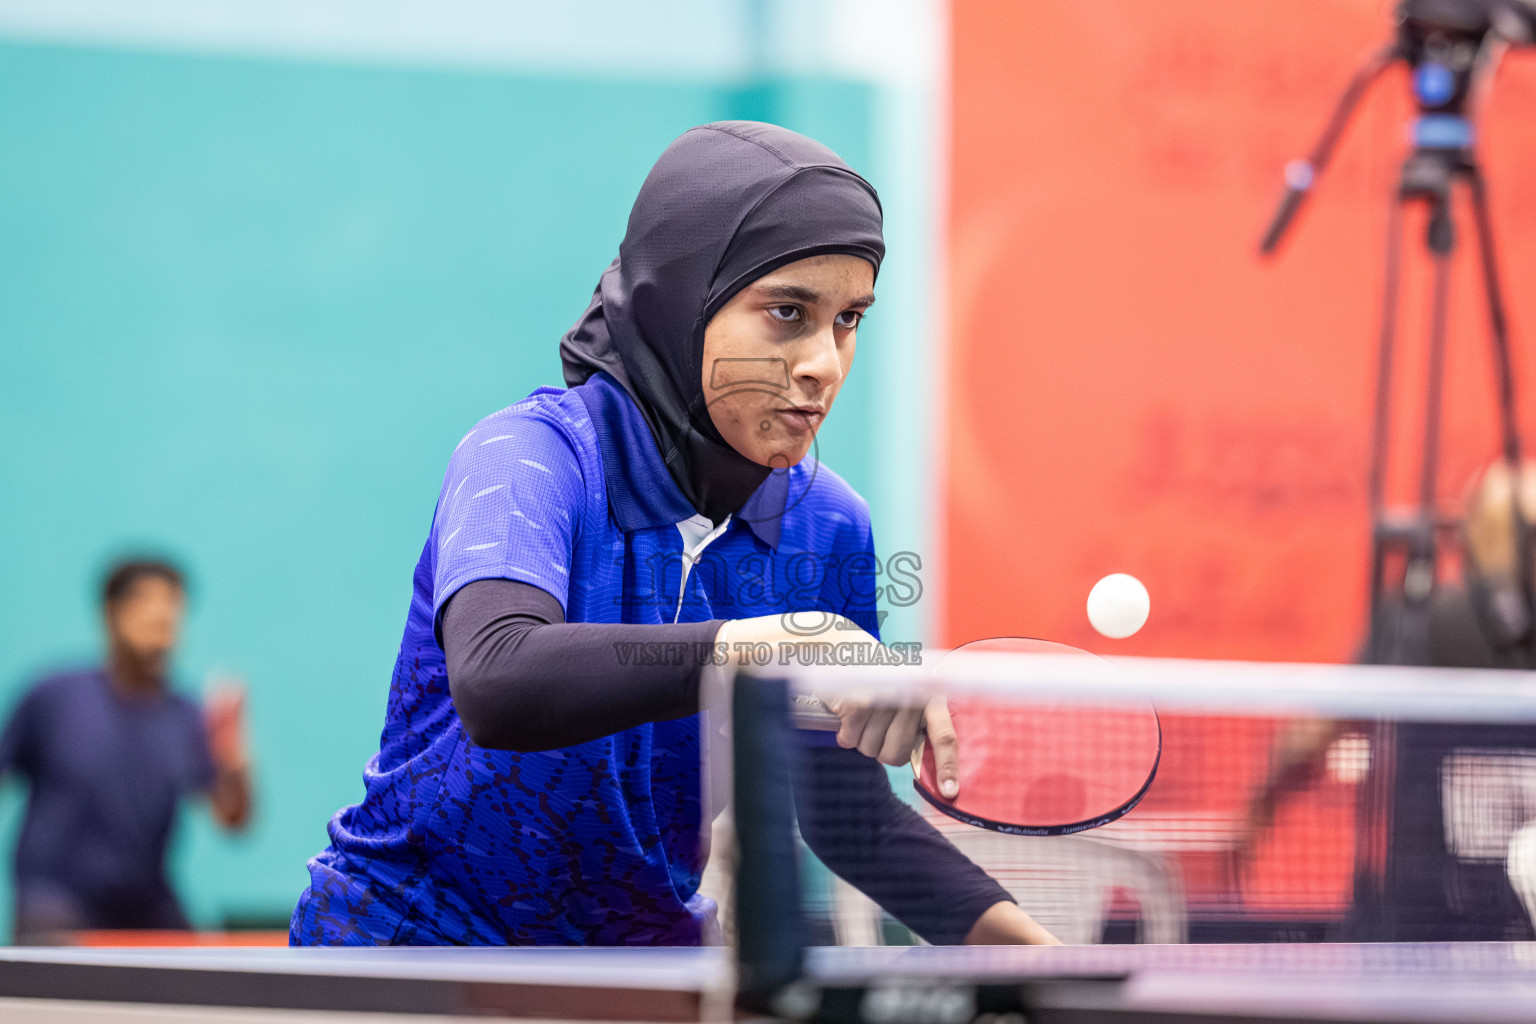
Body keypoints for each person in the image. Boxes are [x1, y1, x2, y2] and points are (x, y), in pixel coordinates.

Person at [291, 122, 1055, 947]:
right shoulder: (531, 456)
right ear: (682, 300)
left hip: (640, 970)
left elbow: (851, 821)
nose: (824, 364)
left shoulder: (829, 525)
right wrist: (766, 647)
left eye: (847, 320)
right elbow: (500, 677)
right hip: (412, 950)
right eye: (787, 313)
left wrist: (1052, 966)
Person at [1245, 458, 1536, 940]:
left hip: (1427, 915)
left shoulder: (1416, 621)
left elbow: (1318, 728)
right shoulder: (1421, 622)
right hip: (1427, 917)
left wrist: (1259, 805)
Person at [0, 559, 253, 942]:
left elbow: (232, 818)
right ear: (111, 613)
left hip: (144, 901)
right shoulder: (54, 697)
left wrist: (235, 760)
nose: (161, 614)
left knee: (205, 964)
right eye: (145, 600)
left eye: (172, 604)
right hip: (56, 899)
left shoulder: (186, 716)